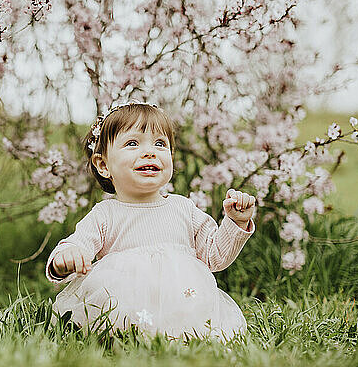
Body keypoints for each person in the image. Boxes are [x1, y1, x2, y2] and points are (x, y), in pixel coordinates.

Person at [45, 102, 256, 341]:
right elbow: (79, 243)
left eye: (160, 144)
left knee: (191, 328)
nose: (150, 152)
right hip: (122, 309)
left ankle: (178, 337)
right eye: (132, 143)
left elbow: (215, 257)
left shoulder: (183, 208)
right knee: (116, 325)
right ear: (103, 165)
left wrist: (235, 222)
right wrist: (68, 256)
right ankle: (121, 338)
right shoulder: (105, 213)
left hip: (181, 304)